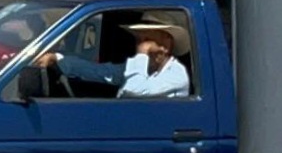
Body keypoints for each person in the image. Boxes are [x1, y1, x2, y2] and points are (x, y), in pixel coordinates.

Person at [35, 20, 190, 97]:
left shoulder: (176, 75)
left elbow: (135, 90)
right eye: (139, 40)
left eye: (147, 40)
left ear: (166, 45)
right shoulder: (141, 68)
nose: (140, 45)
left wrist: (141, 54)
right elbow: (99, 71)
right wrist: (58, 58)